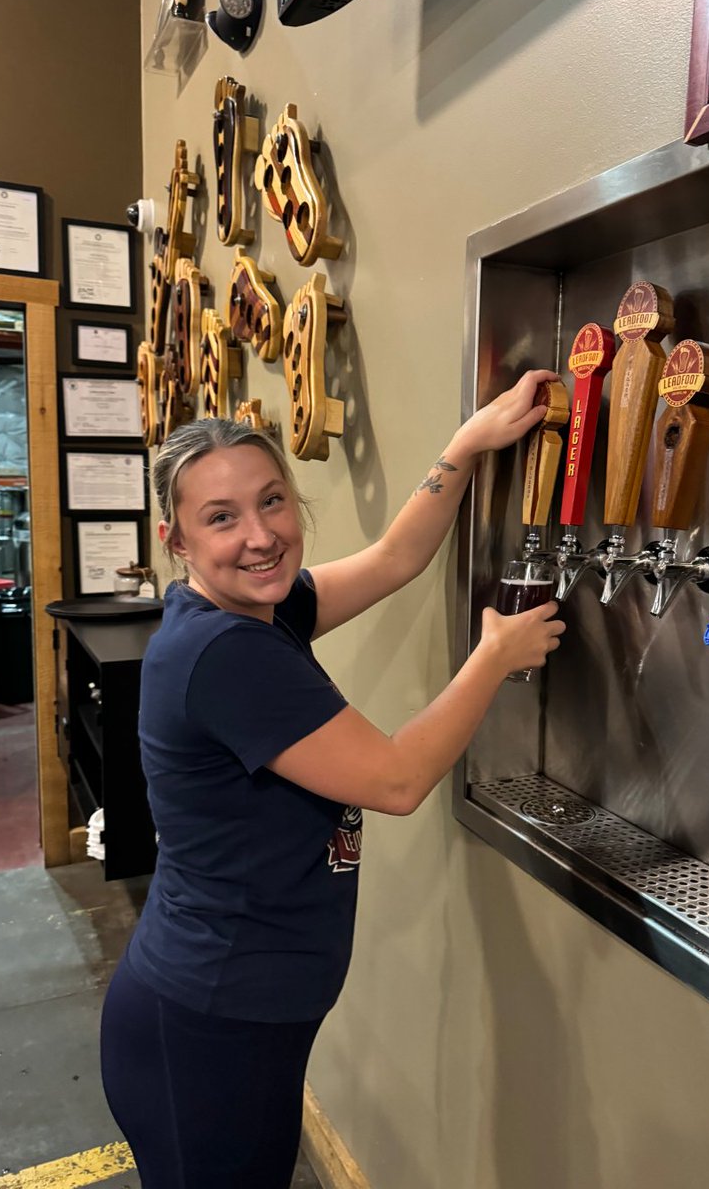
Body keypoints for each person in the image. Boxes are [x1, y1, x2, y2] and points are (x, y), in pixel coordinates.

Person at [99, 369, 566, 1188]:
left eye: (272, 501)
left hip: (242, 1012)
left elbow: (395, 559)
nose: (260, 535)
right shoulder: (226, 653)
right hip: (209, 1024)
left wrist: (467, 442)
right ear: (177, 542)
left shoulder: (251, 611)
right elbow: (393, 780)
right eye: (221, 518)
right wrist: (493, 658)